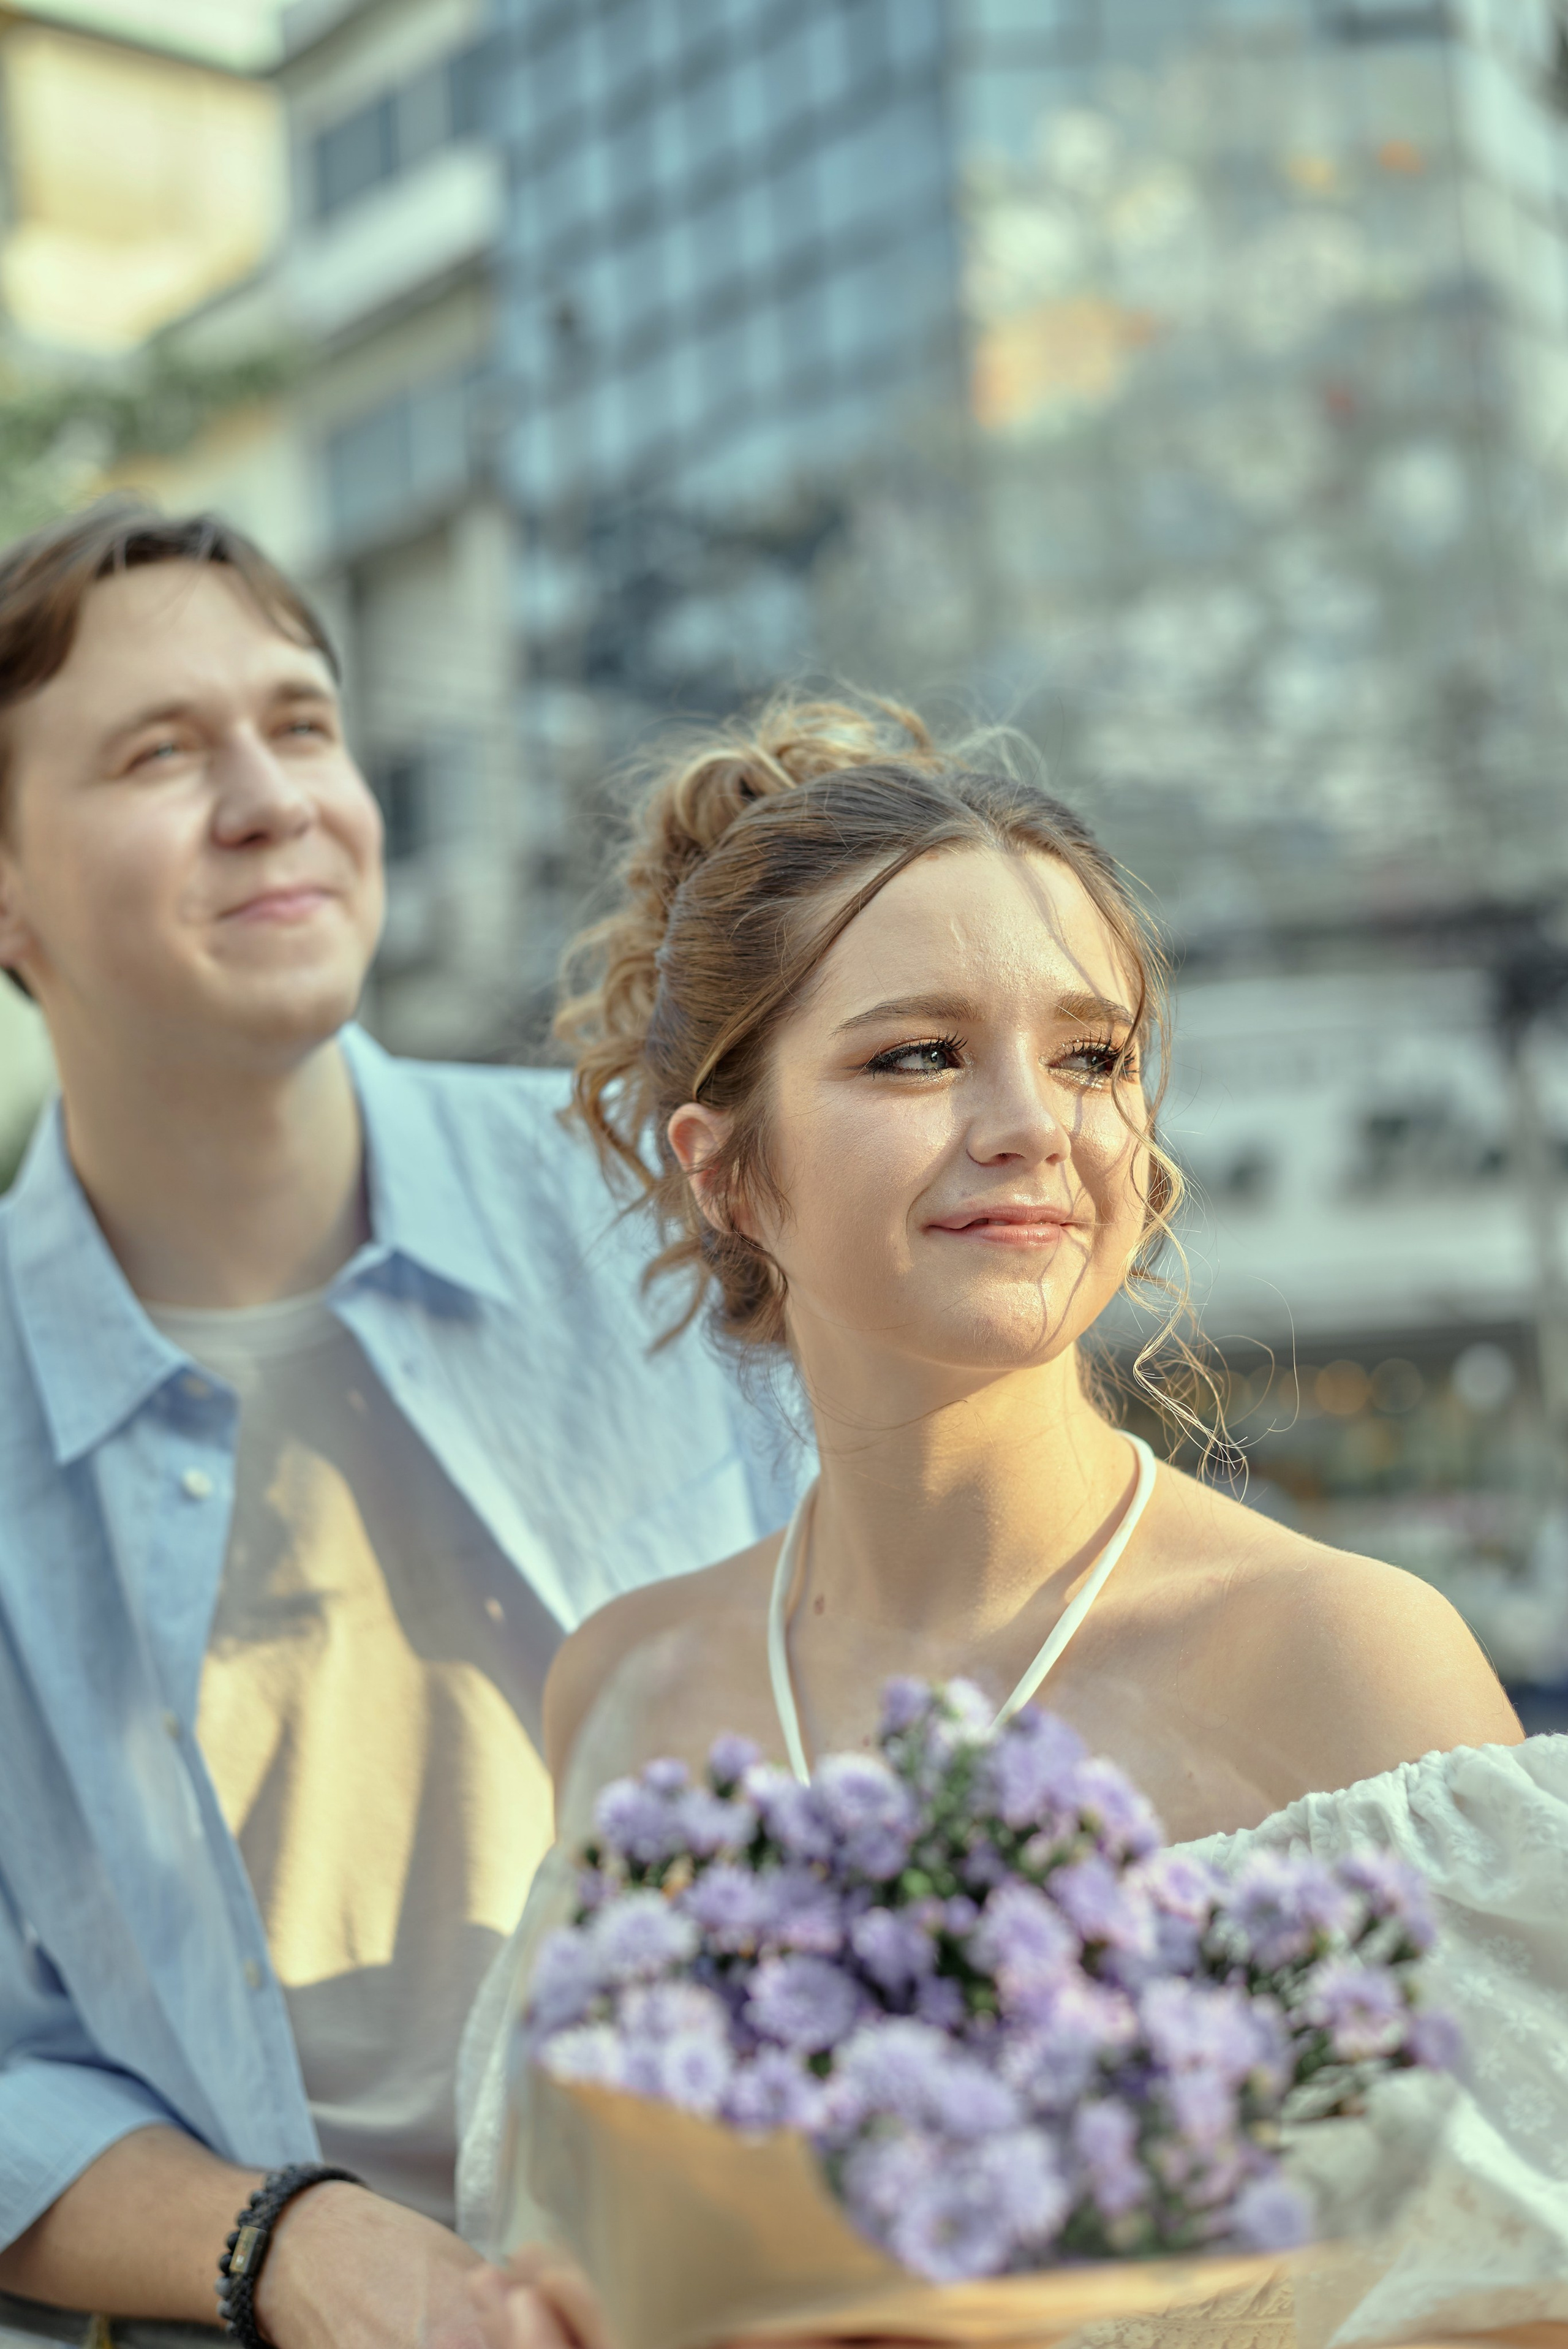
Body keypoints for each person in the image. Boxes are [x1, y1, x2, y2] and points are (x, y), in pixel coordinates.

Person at [456, 696, 1568, 2347]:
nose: (1034, 1121)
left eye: (1093, 1055)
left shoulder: (1343, 1663)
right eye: (918, 1052)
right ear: (729, 1173)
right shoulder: (630, 1688)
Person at [0, 500, 800, 2349]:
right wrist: (281, 2242)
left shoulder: (651, 1208)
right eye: (156, 752)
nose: (272, 796)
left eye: (298, 725)